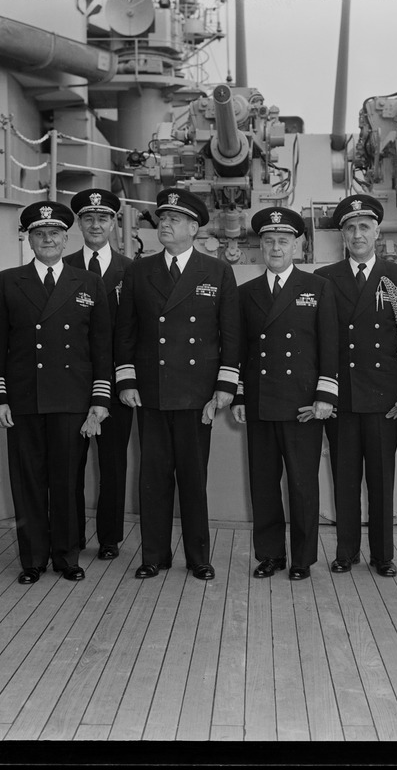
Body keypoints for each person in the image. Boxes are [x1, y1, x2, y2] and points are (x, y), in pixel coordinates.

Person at [114, 187, 240, 581]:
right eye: (161, 219)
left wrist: (224, 387)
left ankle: (198, 557)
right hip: (150, 390)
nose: (164, 226)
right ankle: (154, 555)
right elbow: (126, 333)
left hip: (196, 394)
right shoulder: (139, 271)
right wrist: (126, 379)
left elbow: (230, 334)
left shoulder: (217, 271)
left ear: (193, 227)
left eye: (173, 220)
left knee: (192, 477)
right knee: (152, 477)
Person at [0, 201, 112, 584]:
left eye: (54, 233)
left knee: (66, 481)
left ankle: (66, 557)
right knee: (28, 482)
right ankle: (33, 559)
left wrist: (100, 401)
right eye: (39, 234)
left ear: (65, 237)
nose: (47, 240)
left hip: (72, 399)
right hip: (24, 399)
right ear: (28, 239)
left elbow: (101, 345)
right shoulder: (7, 281)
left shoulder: (88, 283)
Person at [315, 194, 397, 577]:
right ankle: (346, 551)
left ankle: (383, 555)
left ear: (377, 230)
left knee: (381, 478)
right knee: (344, 477)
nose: (357, 234)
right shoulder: (325, 279)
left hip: (384, 396)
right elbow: (320, 341)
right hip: (341, 396)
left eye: (364, 226)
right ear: (341, 234)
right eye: (349, 228)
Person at [232, 207, 338, 581]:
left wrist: (326, 396)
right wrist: (241, 395)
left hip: (303, 404)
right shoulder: (246, 293)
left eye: (283, 241)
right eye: (269, 241)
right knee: (263, 484)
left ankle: (301, 559)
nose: (276, 248)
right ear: (260, 245)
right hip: (260, 402)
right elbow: (239, 349)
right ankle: (270, 554)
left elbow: (330, 346)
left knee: (302, 485)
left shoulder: (318, 288)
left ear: (298, 244)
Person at [64, 189, 134, 560]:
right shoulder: (63, 267)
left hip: (119, 385)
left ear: (113, 223)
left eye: (103, 218)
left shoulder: (132, 270)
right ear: (78, 223)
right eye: (88, 218)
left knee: (113, 463)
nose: (95, 225)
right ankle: (72, 534)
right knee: (71, 463)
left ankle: (109, 537)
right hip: (75, 383)